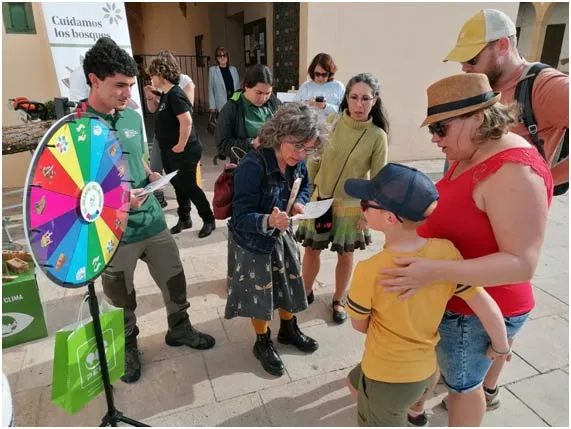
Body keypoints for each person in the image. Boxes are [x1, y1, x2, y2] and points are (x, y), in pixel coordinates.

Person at [378, 73, 553, 426]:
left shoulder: (514, 172)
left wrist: (434, 270)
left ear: (478, 117)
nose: (434, 138)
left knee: (464, 388)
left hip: (475, 312)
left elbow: (522, 264)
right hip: (458, 301)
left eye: (440, 128)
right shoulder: (473, 150)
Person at [84, 37, 215, 384]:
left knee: (174, 276)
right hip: (113, 231)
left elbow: (139, 156)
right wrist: (118, 200)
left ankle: (180, 328)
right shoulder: (78, 127)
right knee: (120, 296)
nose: (128, 93)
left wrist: (150, 174)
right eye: (120, 85)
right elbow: (75, 189)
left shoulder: (130, 116)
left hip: (151, 220)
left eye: (131, 85)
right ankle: (128, 345)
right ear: (94, 80)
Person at [343, 163, 511, 427]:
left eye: (366, 204)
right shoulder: (446, 252)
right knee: (354, 382)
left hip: (387, 375)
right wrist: (501, 346)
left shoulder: (370, 270)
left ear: (389, 219)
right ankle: (414, 412)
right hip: (426, 371)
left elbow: (359, 324)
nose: (362, 208)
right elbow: (483, 302)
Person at [224, 102, 328, 377]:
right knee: (259, 295)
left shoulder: (297, 162)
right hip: (253, 244)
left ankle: (288, 329)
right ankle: (262, 341)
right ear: (280, 135)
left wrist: (300, 202)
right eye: (298, 146)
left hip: (282, 236)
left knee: (289, 284)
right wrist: (268, 221)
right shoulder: (252, 165)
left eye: (308, 149)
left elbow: (305, 185)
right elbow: (240, 216)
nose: (302, 154)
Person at [296, 73, 389, 324]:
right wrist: (306, 194)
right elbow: (313, 160)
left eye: (365, 98)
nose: (359, 104)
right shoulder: (331, 122)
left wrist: (368, 214)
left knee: (345, 255)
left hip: (351, 208)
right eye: (354, 97)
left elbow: (378, 180)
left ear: (375, 100)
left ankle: (339, 299)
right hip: (321, 200)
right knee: (312, 250)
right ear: (346, 98)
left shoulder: (377, 136)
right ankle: (305, 290)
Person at [442, 8, 568, 186]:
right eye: (461, 60)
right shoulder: (482, 81)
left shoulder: (545, 85)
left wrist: (544, 183)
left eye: (471, 59)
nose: (465, 67)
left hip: (508, 199)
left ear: (502, 45)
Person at [146, 53, 216, 238]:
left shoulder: (175, 94)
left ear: (161, 74)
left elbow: (186, 121)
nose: (151, 78)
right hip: (170, 151)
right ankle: (184, 218)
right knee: (178, 185)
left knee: (190, 186)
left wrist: (180, 145)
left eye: (152, 74)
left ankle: (208, 219)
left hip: (184, 150)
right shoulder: (166, 94)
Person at [145, 50, 196, 208]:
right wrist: (151, 97)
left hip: (178, 134)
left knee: (181, 172)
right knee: (155, 166)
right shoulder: (158, 84)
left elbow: (187, 109)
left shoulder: (184, 81)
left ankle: (186, 206)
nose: (153, 76)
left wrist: (166, 96)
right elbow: (152, 109)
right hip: (161, 134)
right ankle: (159, 197)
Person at [215, 64, 281, 162]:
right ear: (246, 86)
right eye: (258, 93)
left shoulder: (273, 102)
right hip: (247, 163)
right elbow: (222, 145)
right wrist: (252, 143)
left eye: (267, 93)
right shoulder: (231, 108)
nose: (263, 98)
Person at [294, 52, 345, 117]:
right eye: (317, 74)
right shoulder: (305, 86)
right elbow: (293, 108)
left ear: (330, 73)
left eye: (324, 74)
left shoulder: (338, 86)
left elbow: (344, 110)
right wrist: (307, 104)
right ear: (312, 72)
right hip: (309, 123)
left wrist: (325, 106)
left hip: (331, 123)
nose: (320, 78)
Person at [208, 46, 240, 114]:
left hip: (234, 103)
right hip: (221, 105)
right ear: (217, 58)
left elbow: (238, 88)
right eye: (220, 56)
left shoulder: (234, 69)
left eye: (224, 55)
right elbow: (211, 89)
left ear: (227, 57)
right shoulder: (213, 70)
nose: (222, 58)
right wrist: (212, 106)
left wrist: (239, 102)